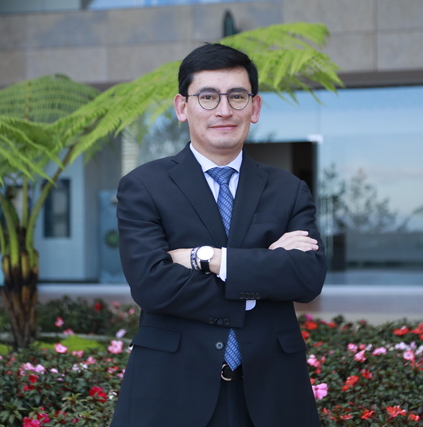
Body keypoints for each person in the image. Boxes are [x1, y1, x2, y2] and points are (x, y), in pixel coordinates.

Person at [110, 43, 327, 427]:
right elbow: (153, 285)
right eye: (208, 97)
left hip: (273, 391)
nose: (224, 110)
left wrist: (208, 259)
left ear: (254, 108)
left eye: (237, 96)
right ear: (182, 107)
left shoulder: (289, 190)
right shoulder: (143, 186)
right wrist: (264, 273)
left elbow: (307, 278)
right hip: (172, 389)